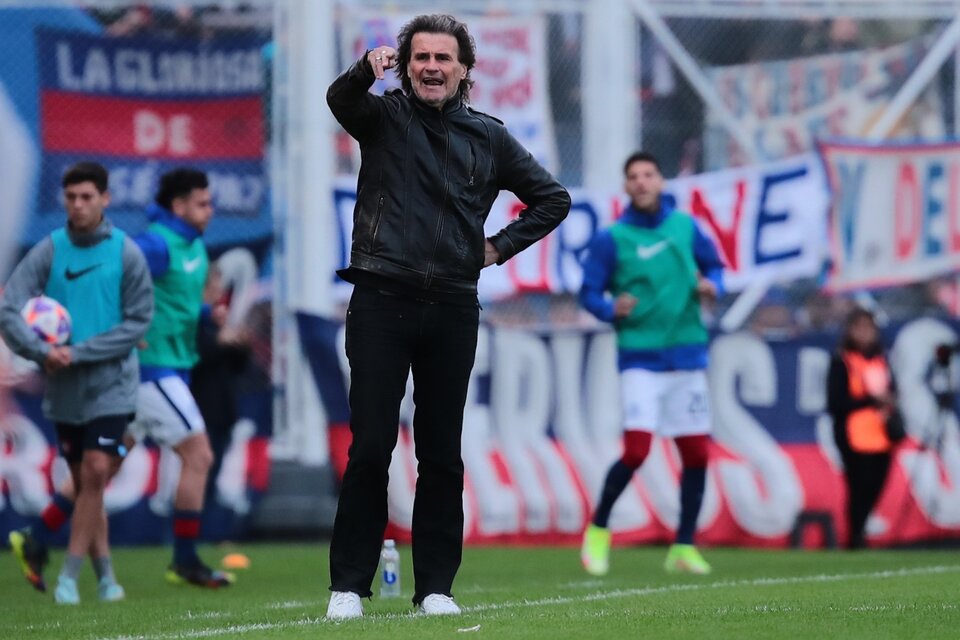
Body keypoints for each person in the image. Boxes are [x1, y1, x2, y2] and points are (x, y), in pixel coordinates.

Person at [324, 13, 570, 619]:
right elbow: (340, 98)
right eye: (421, 57)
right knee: (372, 446)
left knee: (440, 452)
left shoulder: (489, 137)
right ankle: (347, 589)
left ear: (464, 70)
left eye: (444, 59)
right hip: (381, 300)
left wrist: (496, 248)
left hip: (454, 307)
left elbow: (552, 199)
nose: (432, 67)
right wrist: (364, 69)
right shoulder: (381, 117)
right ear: (406, 65)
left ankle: (436, 589)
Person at [1, 161, 153, 604]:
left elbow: (138, 322)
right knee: (89, 484)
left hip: (112, 384)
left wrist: (79, 352)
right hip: (64, 390)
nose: (78, 205)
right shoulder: (50, 250)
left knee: (97, 469)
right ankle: (106, 575)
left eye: (87, 197)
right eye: (71, 197)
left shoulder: (126, 252)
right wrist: (40, 351)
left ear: (105, 199)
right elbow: (10, 307)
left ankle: (67, 575)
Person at [579, 151, 724, 577]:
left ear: (661, 181)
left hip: (687, 353)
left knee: (696, 453)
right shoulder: (613, 238)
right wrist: (609, 309)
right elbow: (588, 293)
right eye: (633, 176)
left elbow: (715, 266)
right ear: (626, 187)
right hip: (640, 357)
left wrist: (712, 284)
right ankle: (599, 529)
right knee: (638, 450)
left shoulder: (686, 227)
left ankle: (683, 545)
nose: (642, 181)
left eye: (648, 173)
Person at [126, 168, 234, 587]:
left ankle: (41, 536)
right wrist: (125, 332)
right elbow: (115, 281)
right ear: (178, 206)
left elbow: (177, 303)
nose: (210, 210)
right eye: (202, 203)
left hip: (171, 368)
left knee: (102, 466)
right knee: (199, 456)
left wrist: (209, 314)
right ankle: (185, 559)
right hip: (152, 372)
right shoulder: (155, 244)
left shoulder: (193, 246)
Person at [826, 306, 900, 549]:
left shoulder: (882, 359)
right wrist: (871, 399)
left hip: (881, 435)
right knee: (858, 486)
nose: (865, 333)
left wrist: (890, 401)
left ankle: (860, 531)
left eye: (869, 328)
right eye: (860, 328)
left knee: (876, 484)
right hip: (853, 435)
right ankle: (856, 537)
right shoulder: (842, 361)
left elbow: (893, 391)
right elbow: (836, 402)